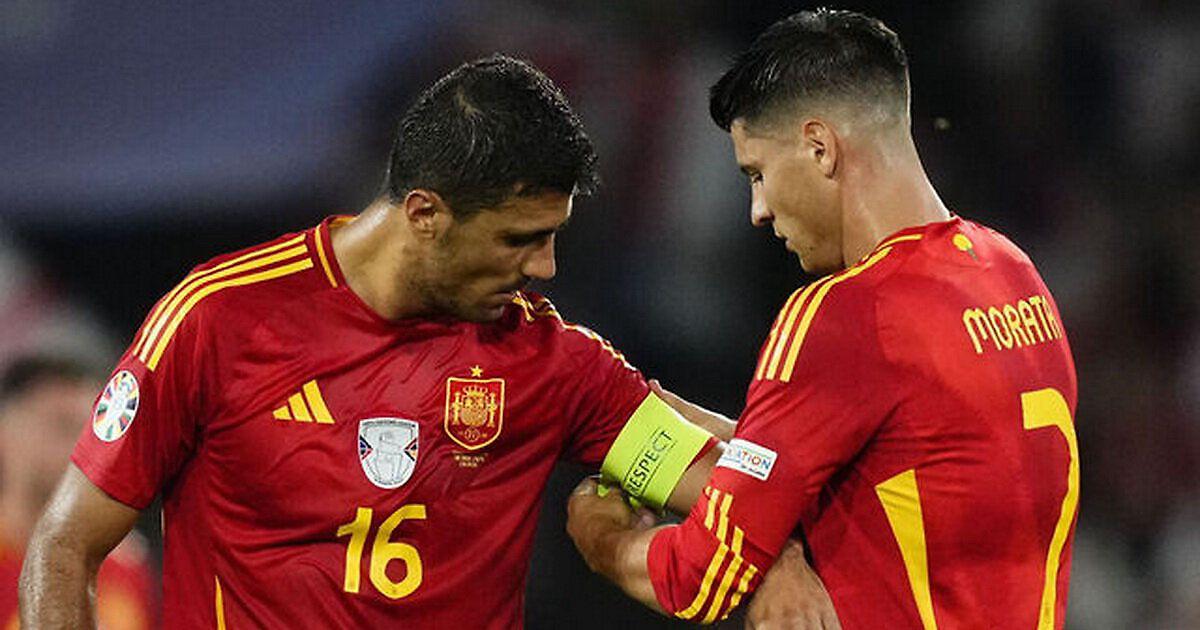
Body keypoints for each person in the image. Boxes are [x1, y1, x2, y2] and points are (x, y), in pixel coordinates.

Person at [18, 54, 826, 628]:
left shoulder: (547, 363)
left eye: (553, 237)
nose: (544, 268)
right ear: (425, 214)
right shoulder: (218, 321)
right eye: (519, 238)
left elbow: (725, 475)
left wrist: (783, 560)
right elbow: (66, 545)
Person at [567, 9, 1079, 630]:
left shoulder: (849, 313)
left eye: (758, 174)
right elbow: (880, 462)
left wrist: (600, 537)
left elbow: (702, 574)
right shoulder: (1014, 274)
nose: (758, 210)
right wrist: (699, 439)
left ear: (820, 147)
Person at [0, 355, 154, 629]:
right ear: (5, 434)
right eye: (63, 426)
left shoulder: (124, 568)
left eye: (93, 431)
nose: (83, 448)